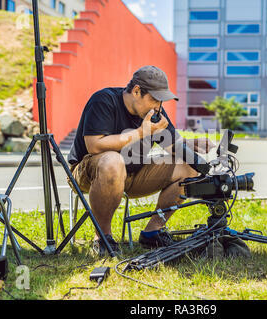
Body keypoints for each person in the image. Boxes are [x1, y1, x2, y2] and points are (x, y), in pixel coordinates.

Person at [67, 65, 214, 255]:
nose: (159, 106)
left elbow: (173, 145)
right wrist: (141, 132)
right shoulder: (104, 100)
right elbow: (94, 145)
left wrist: (189, 144)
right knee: (113, 161)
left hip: (132, 173)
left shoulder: (154, 114)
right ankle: (103, 237)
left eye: (162, 101)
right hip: (89, 172)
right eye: (155, 99)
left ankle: (153, 232)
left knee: (186, 167)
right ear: (137, 91)